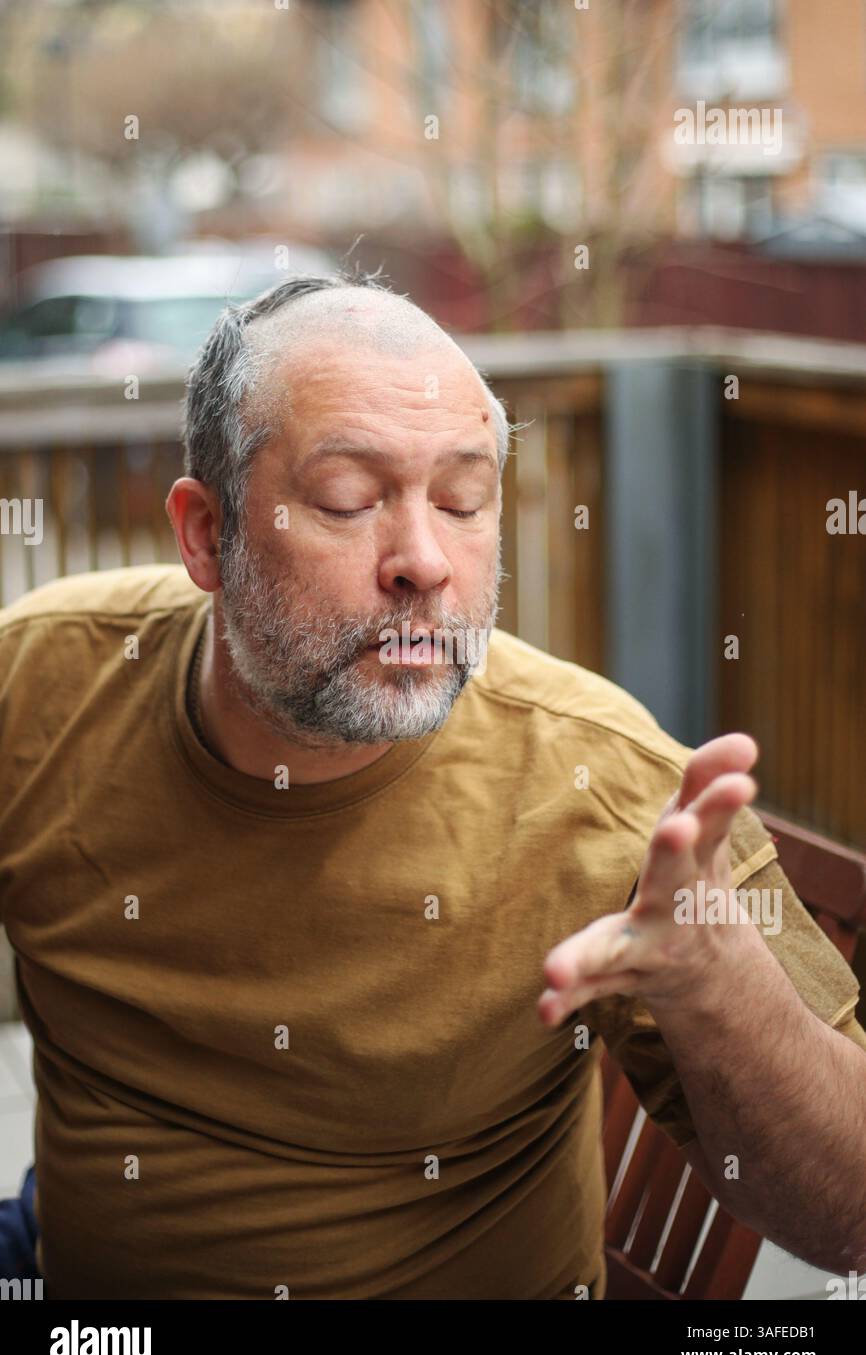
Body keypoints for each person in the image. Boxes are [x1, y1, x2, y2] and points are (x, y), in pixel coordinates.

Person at [1, 266, 864, 1300]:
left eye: (462, 500)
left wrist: (713, 976)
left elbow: (849, 1212)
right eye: (347, 499)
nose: (423, 561)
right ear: (205, 533)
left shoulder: (609, 788)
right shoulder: (39, 681)